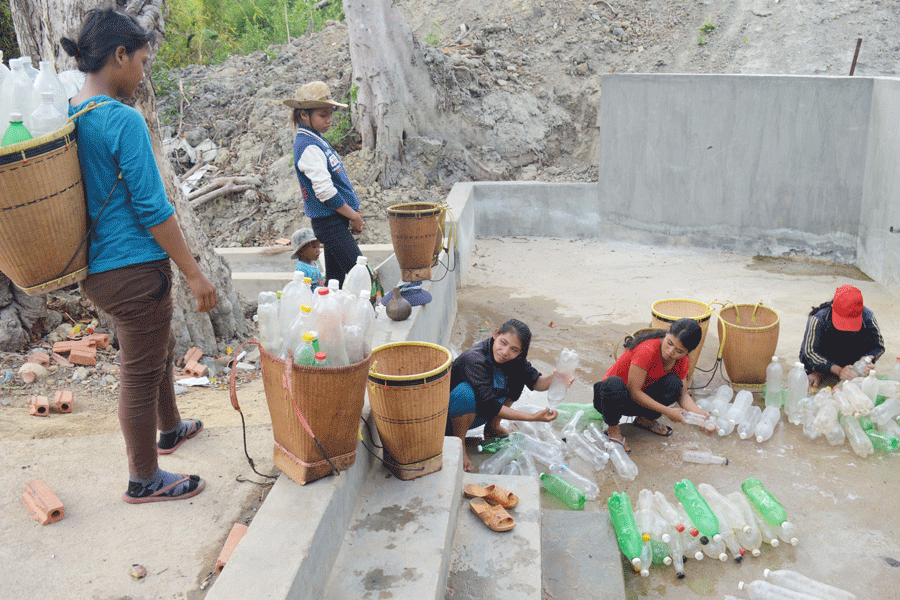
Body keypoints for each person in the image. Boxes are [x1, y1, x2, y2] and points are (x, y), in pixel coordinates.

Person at [63, 8, 218, 504]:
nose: (143, 73)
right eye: (142, 62)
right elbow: (153, 207)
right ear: (119, 55)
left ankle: (169, 428)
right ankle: (144, 478)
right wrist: (195, 274)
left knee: (157, 346)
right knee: (139, 369)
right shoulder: (121, 119)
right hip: (132, 268)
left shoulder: (72, 112)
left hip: (98, 270)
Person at [446, 319, 561, 472]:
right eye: (503, 342)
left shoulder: (516, 362)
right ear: (495, 334)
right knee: (464, 393)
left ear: (521, 351)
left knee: (517, 377)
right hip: (448, 420)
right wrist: (532, 417)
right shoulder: (474, 359)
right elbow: (490, 405)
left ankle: (493, 427)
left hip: (477, 413)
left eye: (514, 349)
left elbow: (537, 383)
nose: (505, 352)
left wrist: (556, 379)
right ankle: (459, 445)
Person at [283, 81, 363, 288]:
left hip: (335, 220)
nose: (329, 120)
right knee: (362, 276)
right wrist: (353, 216)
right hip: (330, 223)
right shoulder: (308, 146)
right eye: (322, 115)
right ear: (304, 115)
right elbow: (325, 192)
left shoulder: (316, 139)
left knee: (337, 280)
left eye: (330, 114)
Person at [593, 318, 707, 453]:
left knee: (674, 384)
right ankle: (614, 432)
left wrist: (702, 416)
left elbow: (683, 394)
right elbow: (634, 391)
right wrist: (668, 411)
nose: (671, 351)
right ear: (667, 334)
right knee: (614, 383)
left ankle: (644, 419)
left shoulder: (682, 361)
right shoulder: (647, 350)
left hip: (640, 400)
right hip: (611, 400)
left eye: (679, 351)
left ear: (687, 352)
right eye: (669, 343)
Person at [800, 284, 885, 388]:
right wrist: (838, 370)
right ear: (832, 307)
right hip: (827, 357)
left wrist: (865, 360)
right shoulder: (819, 318)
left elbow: (878, 346)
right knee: (809, 360)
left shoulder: (868, 317)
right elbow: (809, 352)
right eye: (843, 321)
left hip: (852, 361)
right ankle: (819, 372)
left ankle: (848, 372)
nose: (846, 328)